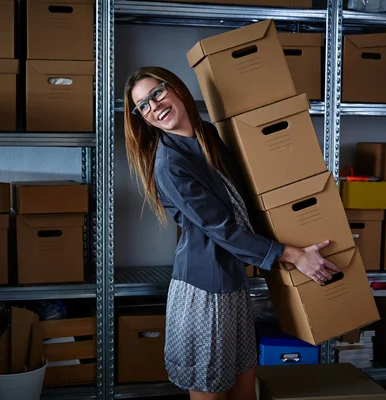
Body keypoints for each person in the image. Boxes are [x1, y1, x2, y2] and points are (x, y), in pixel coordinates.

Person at [123, 66, 339, 400]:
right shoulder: (170, 164)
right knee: (211, 394)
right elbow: (222, 230)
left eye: (157, 93)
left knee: (244, 393)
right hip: (204, 294)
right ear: (142, 118)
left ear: (176, 88)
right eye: (143, 106)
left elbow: (250, 197)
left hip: (233, 286)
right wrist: (295, 256)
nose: (154, 106)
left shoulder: (208, 136)